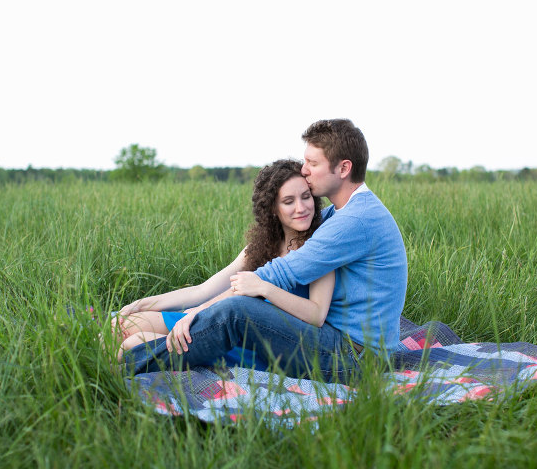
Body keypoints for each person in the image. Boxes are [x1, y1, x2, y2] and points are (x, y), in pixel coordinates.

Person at [123, 118, 408, 382]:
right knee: (231, 311)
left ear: (343, 169)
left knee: (236, 311)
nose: (304, 170)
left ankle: (128, 363)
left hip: (353, 358)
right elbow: (217, 286)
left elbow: (278, 275)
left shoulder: (355, 220)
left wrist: (197, 313)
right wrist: (193, 310)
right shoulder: (341, 214)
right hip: (339, 343)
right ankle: (139, 350)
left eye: (313, 163)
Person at [113, 159, 335, 367]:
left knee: (135, 341)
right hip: (222, 323)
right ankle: (97, 374)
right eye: (288, 201)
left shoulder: (319, 249)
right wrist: (143, 303)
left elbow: (317, 316)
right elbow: (202, 291)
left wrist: (264, 289)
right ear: (273, 209)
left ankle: (112, 377)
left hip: (263, 344)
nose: (301, 208)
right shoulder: (261, 248)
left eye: (306, 197)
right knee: (124, 324)